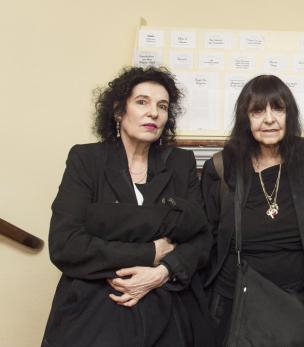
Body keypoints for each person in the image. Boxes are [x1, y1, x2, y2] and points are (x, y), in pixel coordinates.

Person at [42, 67, 215, 347]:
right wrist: (151, 251)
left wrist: (163, 271)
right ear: (119, 111)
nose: (154, 113)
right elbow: (66, 244)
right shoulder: (86, 160)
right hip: (96, 309)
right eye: (142, 102)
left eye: (162, 106)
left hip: (167, 309)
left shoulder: (180, 163)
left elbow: (202, 238)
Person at [200, 74, 304, 344]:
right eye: (258, 110)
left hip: (300, 306)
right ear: (245, 118)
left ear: (289, 114)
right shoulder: (221, 166)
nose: (269, 119)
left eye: (278, 108)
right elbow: (208, 239)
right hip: (239, 306)